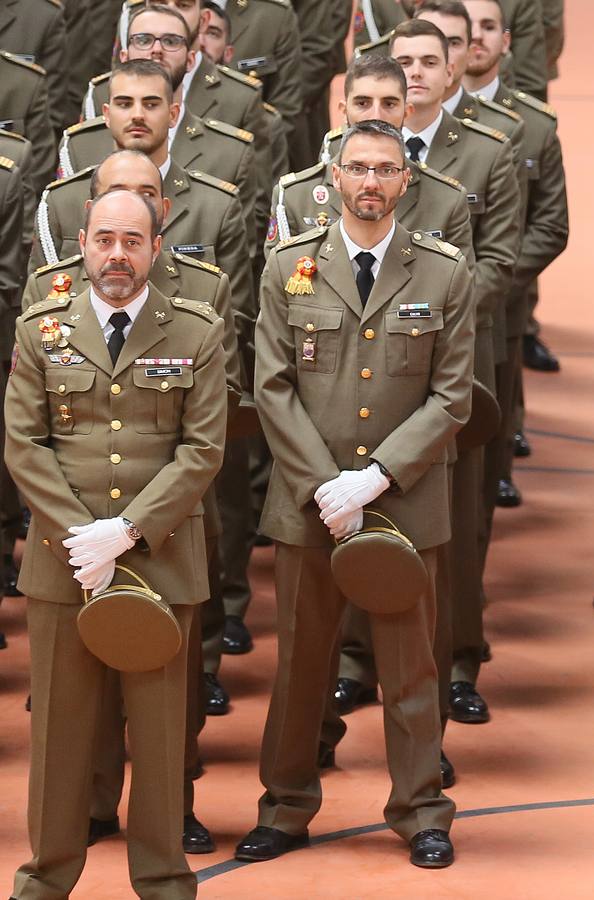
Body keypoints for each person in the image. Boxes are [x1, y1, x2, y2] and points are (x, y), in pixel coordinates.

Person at [238, 120, 472, 870]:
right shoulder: (287, 267)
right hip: (310, 509)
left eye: (386, 169)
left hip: (403, 502)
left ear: (407, 181)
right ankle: (285, 805)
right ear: (332, 179)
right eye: (358, 168)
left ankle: (420, 810)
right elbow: (270, 387)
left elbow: (453, 396)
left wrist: (375, 479)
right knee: (302, 662)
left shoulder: (443, 272)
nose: (371, 181)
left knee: (411, 669)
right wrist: (323, 486)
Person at [7, 187, 227, 900]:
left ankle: (163, 879)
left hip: (159, 562)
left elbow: (202, 450)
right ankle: (46, 878)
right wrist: (83, 537)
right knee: (62, 738)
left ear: (156, 250)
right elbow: (24, 445)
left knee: (161, 741)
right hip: (63, 566)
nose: (117, 256)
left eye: (133, 241)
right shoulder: (41, 329)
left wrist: (126, 531)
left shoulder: (195, 330)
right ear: (81, 245)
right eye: (104, 239)